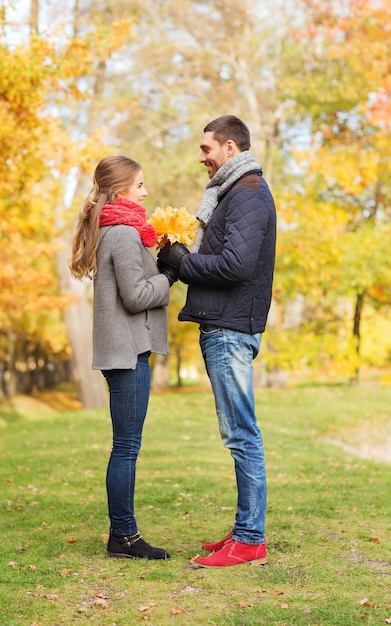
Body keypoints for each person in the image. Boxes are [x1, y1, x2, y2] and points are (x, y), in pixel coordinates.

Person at [157, 115, 276, 567]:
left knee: (241, 434)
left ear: (230, 148)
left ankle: (250, 539)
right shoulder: (236, 193)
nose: (202, 156)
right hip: (225, 326)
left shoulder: (246, 195)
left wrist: (183, 263)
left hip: (229, 330)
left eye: (208, 148)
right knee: (239, 432)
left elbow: (234, 265)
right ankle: (245, 527)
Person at [70, 155, 174, 560]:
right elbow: (135, 297)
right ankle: (125, 537)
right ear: (120, 191)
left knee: (125, 444)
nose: (146, 192)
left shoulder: (114, 229)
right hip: (127, 352)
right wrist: (168, 275)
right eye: (141, 185)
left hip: (122, 350)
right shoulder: (123, 234)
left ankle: (123, 535)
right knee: (127, 446)